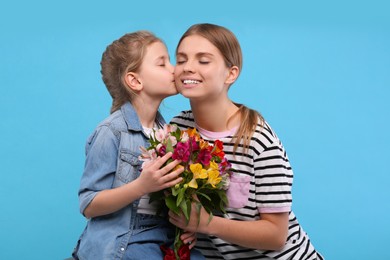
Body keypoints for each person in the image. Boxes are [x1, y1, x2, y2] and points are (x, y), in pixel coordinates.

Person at [168, 23, 324, 259]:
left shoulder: (258, 141)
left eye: (203, 60)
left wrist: (205, 223)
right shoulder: (178, 129)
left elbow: (275, 234)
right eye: (181, 60)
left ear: (231, 73)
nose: (188, 68)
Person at [72, 31, 204, 260]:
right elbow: (89, 204)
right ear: (135, 80)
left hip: (162, 234)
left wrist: (187, 226)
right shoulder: (111, 132)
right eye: (162, 63)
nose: (174, 69)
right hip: (127, 238)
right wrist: (141, 186)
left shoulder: (170, 133)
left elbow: (171, 196)